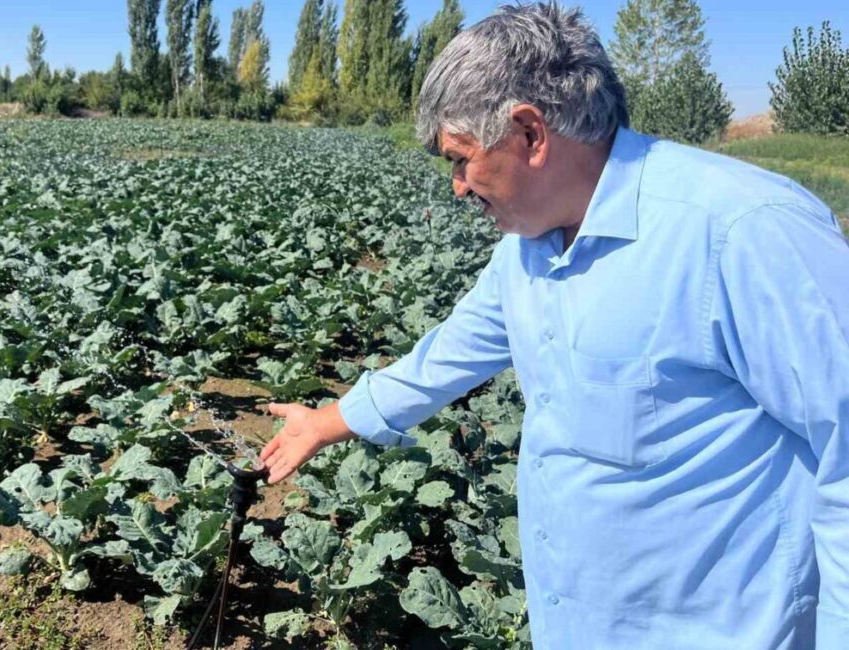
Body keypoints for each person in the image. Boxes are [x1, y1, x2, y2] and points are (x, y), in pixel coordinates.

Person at [257, 2, 849, 648]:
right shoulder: (529, 249)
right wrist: (328, 421)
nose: (456, 186)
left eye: (461, 159)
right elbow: (448, 354)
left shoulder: (739, 230)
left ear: (531, 134)